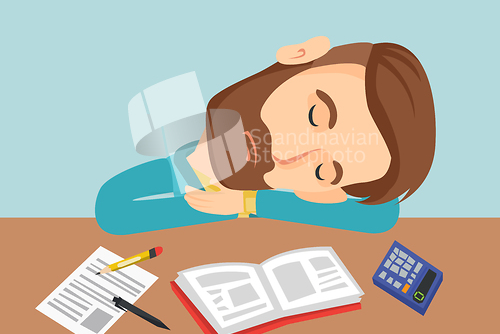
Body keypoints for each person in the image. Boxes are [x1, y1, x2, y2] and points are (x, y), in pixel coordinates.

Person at [95, 37, 435, 235]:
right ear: (299, 55)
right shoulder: (190, 162)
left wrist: (249, 203)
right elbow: (113, 208)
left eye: (325, 171)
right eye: (315, 115)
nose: (291, 154)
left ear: (326, 194)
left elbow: (381, 215)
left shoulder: (245, 190)